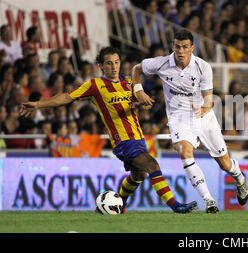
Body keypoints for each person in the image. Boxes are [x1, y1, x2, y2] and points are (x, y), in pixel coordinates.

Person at [20, 46, 198, 214]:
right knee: (152, 165)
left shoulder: (129, 83)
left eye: (117, 62)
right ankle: (176, 206)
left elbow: (137, 105)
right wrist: (38, 104)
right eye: (109, 63)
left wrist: (141, 105)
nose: (114, 67)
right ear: (101, 66)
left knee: (139, 174)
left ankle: (118, 203)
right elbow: (68, 97)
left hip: (139, 138)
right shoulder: (95, 85)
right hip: (122, 141)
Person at [131, 29, 248, 213]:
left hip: (204, 116)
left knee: (224, 163)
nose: (181, 51)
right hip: (179, 117)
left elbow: (208, 100)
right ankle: (208, 200)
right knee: (185, 152)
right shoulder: (162, 63)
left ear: (192, 48)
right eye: (177, 46)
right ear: (173, 46)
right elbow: (137, 69)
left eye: (185, 47)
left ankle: (239, 178)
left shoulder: (203, 67)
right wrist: (139, 91)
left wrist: (203, 109)